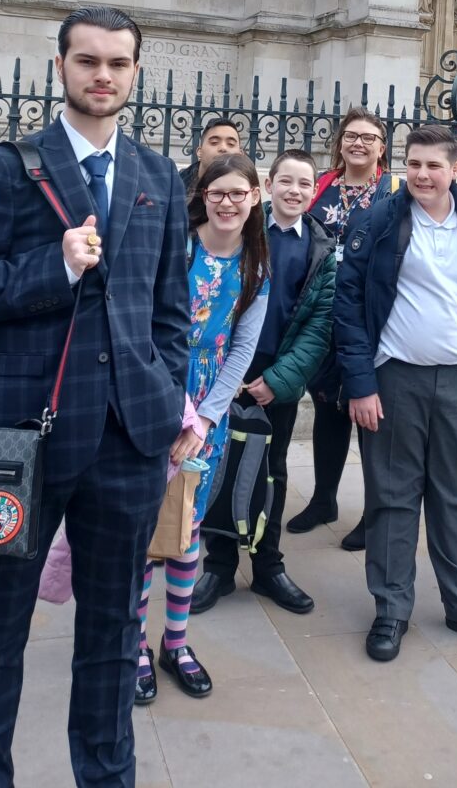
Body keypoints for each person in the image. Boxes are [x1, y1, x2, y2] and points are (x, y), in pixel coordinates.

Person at [0, 6, 192, 787]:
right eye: (87, 61)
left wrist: (165, 393)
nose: (102, 75)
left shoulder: (158, 177)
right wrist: (55, 267)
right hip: (16, 446)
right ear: (61, 66)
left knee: (112, 636)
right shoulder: (8, 168)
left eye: (118, 63)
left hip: (127, 444)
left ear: (137, 71)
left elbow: (168, 309)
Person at [334, 124, 457, 662]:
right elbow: (347, 306)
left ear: (454, 170)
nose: (421, 175)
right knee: (392, 497)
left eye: (433, 166)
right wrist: (361, 384)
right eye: (413, 164)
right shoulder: (377, 222)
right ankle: (391, 608)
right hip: (395, 378)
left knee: (452, 496)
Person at [135, 153, 270, 704]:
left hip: (208, 404)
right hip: (155, 389)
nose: (227, 203)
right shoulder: (179, 246)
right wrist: (168, 407)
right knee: (145, 532)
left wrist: (207, 417)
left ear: (255, 198)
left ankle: (176, 641)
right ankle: (134, 644)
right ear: (202, 195)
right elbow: (142, 322)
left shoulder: (257, 266)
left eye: (239, 193)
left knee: (186, 527)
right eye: (217, 193)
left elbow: (241, 351)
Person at [192, 148, 336, 615]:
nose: (295, 191)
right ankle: (218, 563)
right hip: (222, 372)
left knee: (269, 470)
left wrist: (279, 379)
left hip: (276, 376)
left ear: (314, 192)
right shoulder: (246, 234)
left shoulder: (321, 248)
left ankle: (268, 565)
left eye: (305, 184)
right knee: (217, 466)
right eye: (286, 182)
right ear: (267, 186)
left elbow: (318, 325)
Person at [285, 107, 399, 551]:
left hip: (370, 318)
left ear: (382, 147)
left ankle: (376, 513)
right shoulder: (323, 187)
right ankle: (323, 500)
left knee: (371, 415)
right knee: (328, 408)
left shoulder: (394, 190)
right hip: (322, 314)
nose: (359, 144)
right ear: (340, 143)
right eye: (351, 136)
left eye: (369, 138)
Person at [178, 118, 243, 193]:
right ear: (200, 151)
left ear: (240, 154)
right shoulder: (176, 184)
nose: (223, 148)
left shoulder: (247, 190)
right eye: (214, 142)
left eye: (231, 144)